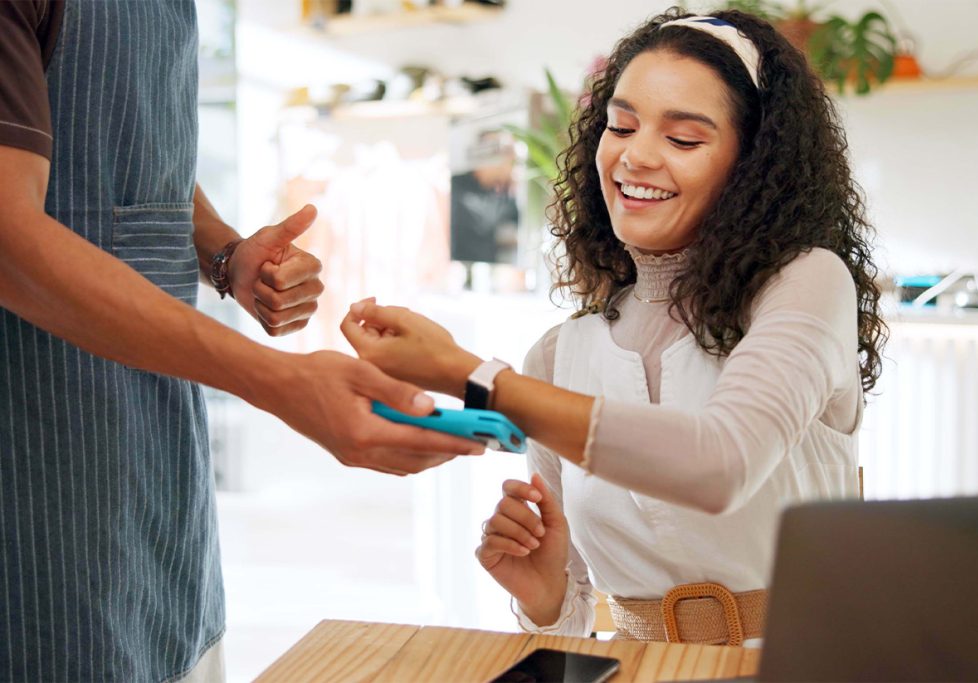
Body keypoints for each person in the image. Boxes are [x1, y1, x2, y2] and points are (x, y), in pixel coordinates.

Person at [341, 7, 886, 646]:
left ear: (754, 167)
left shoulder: (806, 282)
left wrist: (471, 376)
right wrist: (544, 597)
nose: (636, 155)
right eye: (621, 126)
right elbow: (572, 625)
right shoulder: (560, 354)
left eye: (684, 140)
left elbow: (721, 464)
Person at [0, 2, 483, 681]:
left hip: (156, 449)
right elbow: (9, 241)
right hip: (43, 450)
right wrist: (279, 380)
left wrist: (226, 254)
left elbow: (110, 134)